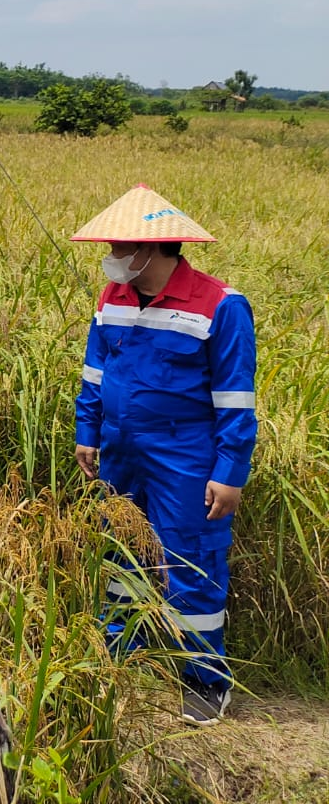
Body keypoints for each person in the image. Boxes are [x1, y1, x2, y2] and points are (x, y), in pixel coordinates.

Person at [71, 184, 257, 726]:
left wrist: (229, 472)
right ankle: (119, 658)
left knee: (191, 561)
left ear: (151, 249)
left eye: (118, 246)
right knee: (120, 552)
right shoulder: (113, 297)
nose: (111, 256)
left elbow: (236, 400)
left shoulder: (220, 305)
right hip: (120, 450)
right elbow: (95, 373)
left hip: (185, 455)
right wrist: (89, 431)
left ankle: (203, 680)